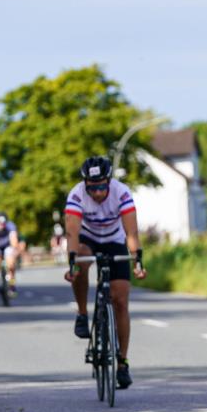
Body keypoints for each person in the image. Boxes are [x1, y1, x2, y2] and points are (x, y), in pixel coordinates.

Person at [63, 156, 147, 389]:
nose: (98, 193)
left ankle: (123, 363)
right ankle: (82, 313)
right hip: (87, 238)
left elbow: (132, 233)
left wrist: (137, 261)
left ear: (109, 182)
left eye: (102, 187)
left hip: (114, 240)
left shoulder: (121, 193)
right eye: (92, 188)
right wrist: (72, 265)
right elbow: (72, 234)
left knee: (120, 301)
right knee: (81, 261)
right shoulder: (77, 195)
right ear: (85, 185)